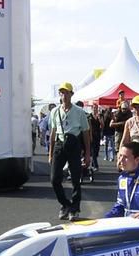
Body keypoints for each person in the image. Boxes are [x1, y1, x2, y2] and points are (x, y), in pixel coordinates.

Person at [49, 82, 90, 221]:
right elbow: (53, 133)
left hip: (74, 144)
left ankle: (75, 208)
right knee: (54, 179)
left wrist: (88, 154)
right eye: (61, 93)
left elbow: (85, 133)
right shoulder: (54, 111)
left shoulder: (79, 112)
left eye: (66, 92)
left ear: (72, 94)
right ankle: (65, 204)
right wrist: (50, 153)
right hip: (60, 145)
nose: (64, 95)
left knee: (76, 179)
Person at [88, 103, 103, 170]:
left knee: (97, 150)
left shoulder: (99, 116)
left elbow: (102, 126)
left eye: (96, 108)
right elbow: (89, 127)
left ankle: (93, 164)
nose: (95, 109)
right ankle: (96, 165)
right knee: (93, 151)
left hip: (98, 134)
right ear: (92, 108)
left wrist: (100, 119)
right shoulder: (89, 116)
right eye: (94, 108)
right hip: (92, 134)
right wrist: (90, 136)